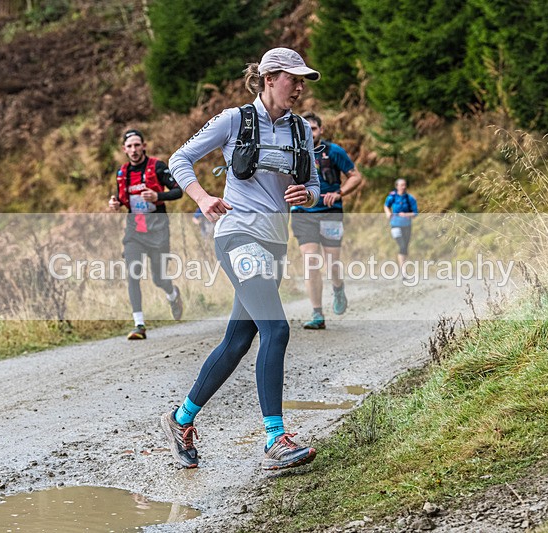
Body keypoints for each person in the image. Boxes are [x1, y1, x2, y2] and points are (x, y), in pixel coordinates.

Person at [162, 47, 321, 470]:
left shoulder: (301, 130)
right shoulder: (234, 120)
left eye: (304, 80)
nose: (301, 87)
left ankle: (181, 420)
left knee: (237, 341)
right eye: (294, 78)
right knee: (277, 330)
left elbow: (316, 184)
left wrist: (307, 194)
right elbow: (179, 159)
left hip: (274, 243)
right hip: (236, 236)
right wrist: (202, 197)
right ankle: (275, 437)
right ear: (270, 77)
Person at [108, 129, 184, 340]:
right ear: (124, 149)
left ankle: (172, 294)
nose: (133, 150)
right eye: (129, 146)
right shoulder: (122, 172)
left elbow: (178, 191)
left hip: (158, 230)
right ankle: (139, 325)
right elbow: (123, 199)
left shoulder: (157, 167)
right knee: (133, 274)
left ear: (143, 146)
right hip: (135, 232)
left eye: (136, 145)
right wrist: (115, 203)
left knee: (159, 278)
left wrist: (157, 195)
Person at [291, 111, 363, 330]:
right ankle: (317, 313)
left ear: (320, 130)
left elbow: (356, 176)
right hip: (302, 213)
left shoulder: (333, 151)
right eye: (306, 129)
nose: (309, 133)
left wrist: (340, 193)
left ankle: (338, 286)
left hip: (330, 212)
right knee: (310, 261)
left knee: (332, 262)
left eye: (313, 129)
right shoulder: (293, 152)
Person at [383, 178, 418, 274]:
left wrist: (406, 214)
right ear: (396, 186)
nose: (403, 187)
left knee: (405, 247)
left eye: (404, 185)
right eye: (401, 185)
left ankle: (404, 267)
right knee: (402, 246)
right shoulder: (392, 197)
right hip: (395, 225)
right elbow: (386, 205)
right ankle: (403, 272)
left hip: (407, 225)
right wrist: (388, 213)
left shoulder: (410, 198)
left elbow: (415, 213)